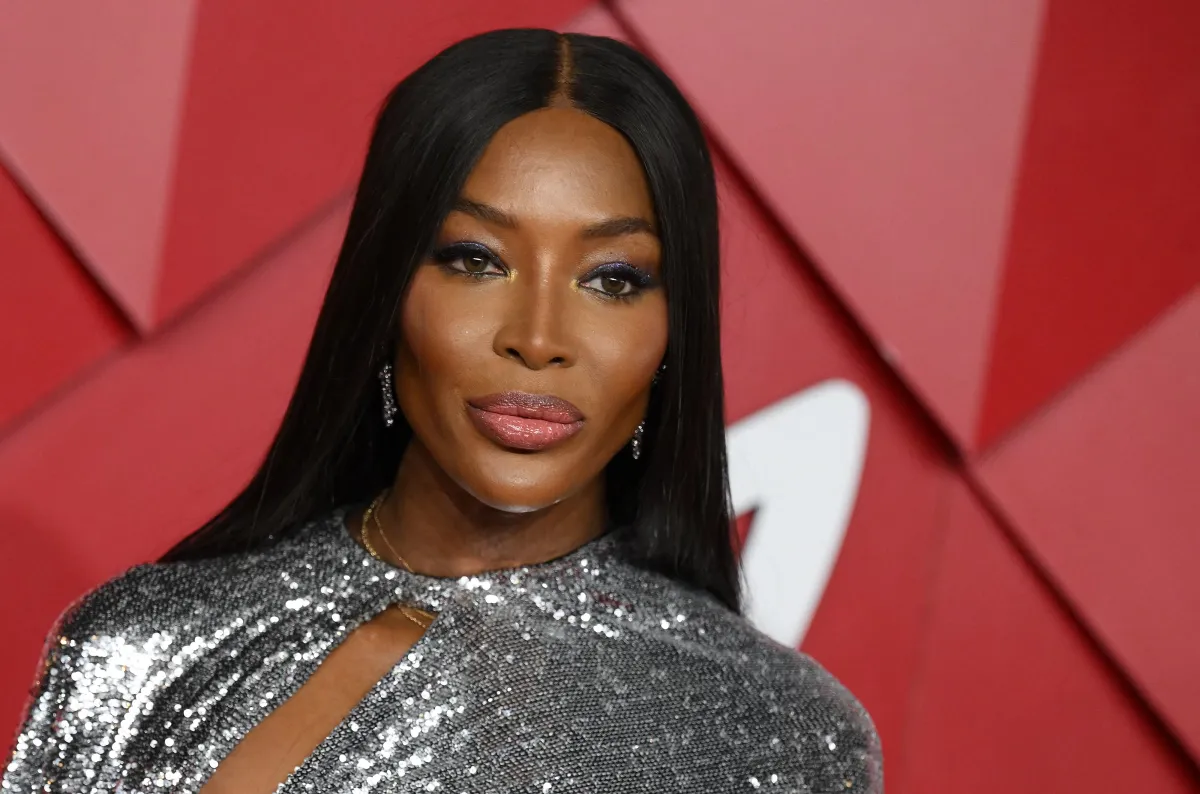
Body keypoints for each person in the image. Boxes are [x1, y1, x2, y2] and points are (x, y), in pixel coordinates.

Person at [2, 29, 882, 794]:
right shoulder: (136, 642)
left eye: (612, 280)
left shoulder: (775, 738)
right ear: (386, 291)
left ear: (672, 334)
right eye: (475, 260)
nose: (539, 338)